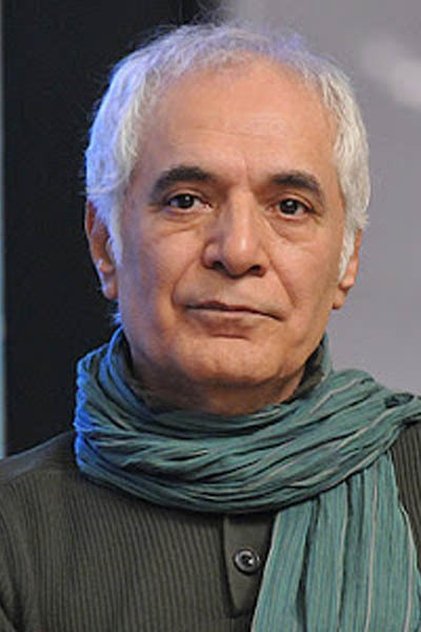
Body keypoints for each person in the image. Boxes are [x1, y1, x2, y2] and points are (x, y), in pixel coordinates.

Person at [1, 21, 420, 632]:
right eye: (187, 200)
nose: (239, 250)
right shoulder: (13, 534)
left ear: (347, 259)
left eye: (290, 207)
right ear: (105, 243)